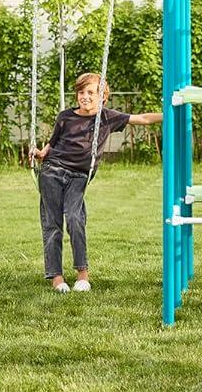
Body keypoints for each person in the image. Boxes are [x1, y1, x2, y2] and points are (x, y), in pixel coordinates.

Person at [31, 72, 163, 292]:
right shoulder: (65, 116)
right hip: (52, 171)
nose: (85, 96)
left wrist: (170, 112)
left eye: (91, 92)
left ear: (102, 96)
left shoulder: (106, 117)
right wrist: (38, 153)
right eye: (81, 92)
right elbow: (50, 146)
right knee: (52, 225)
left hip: (79, 175)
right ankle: (57, 278)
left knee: (75, 218)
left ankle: (82, 275)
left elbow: (142, 119)